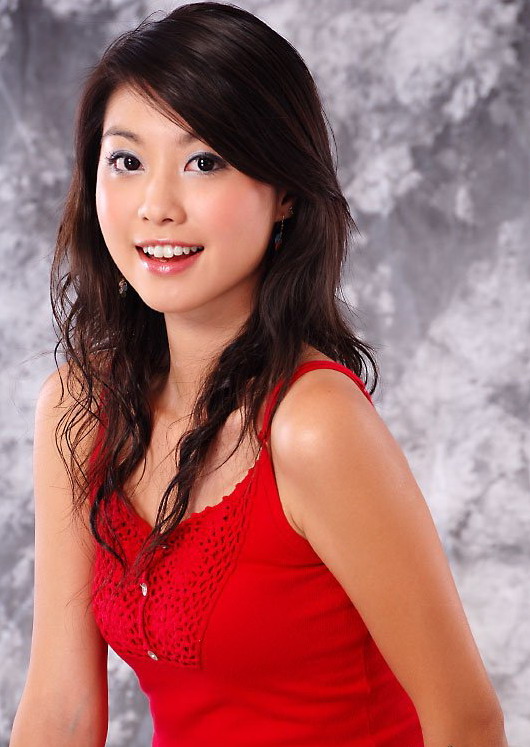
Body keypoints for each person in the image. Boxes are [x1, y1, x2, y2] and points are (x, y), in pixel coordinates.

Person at [10, 3, 508, 746]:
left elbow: (467, 723)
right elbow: (63, 709)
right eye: (127, 161)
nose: (156, 206)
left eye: (204, 161)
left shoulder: (314, 425)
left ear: (285, 194)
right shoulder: (78, 408)